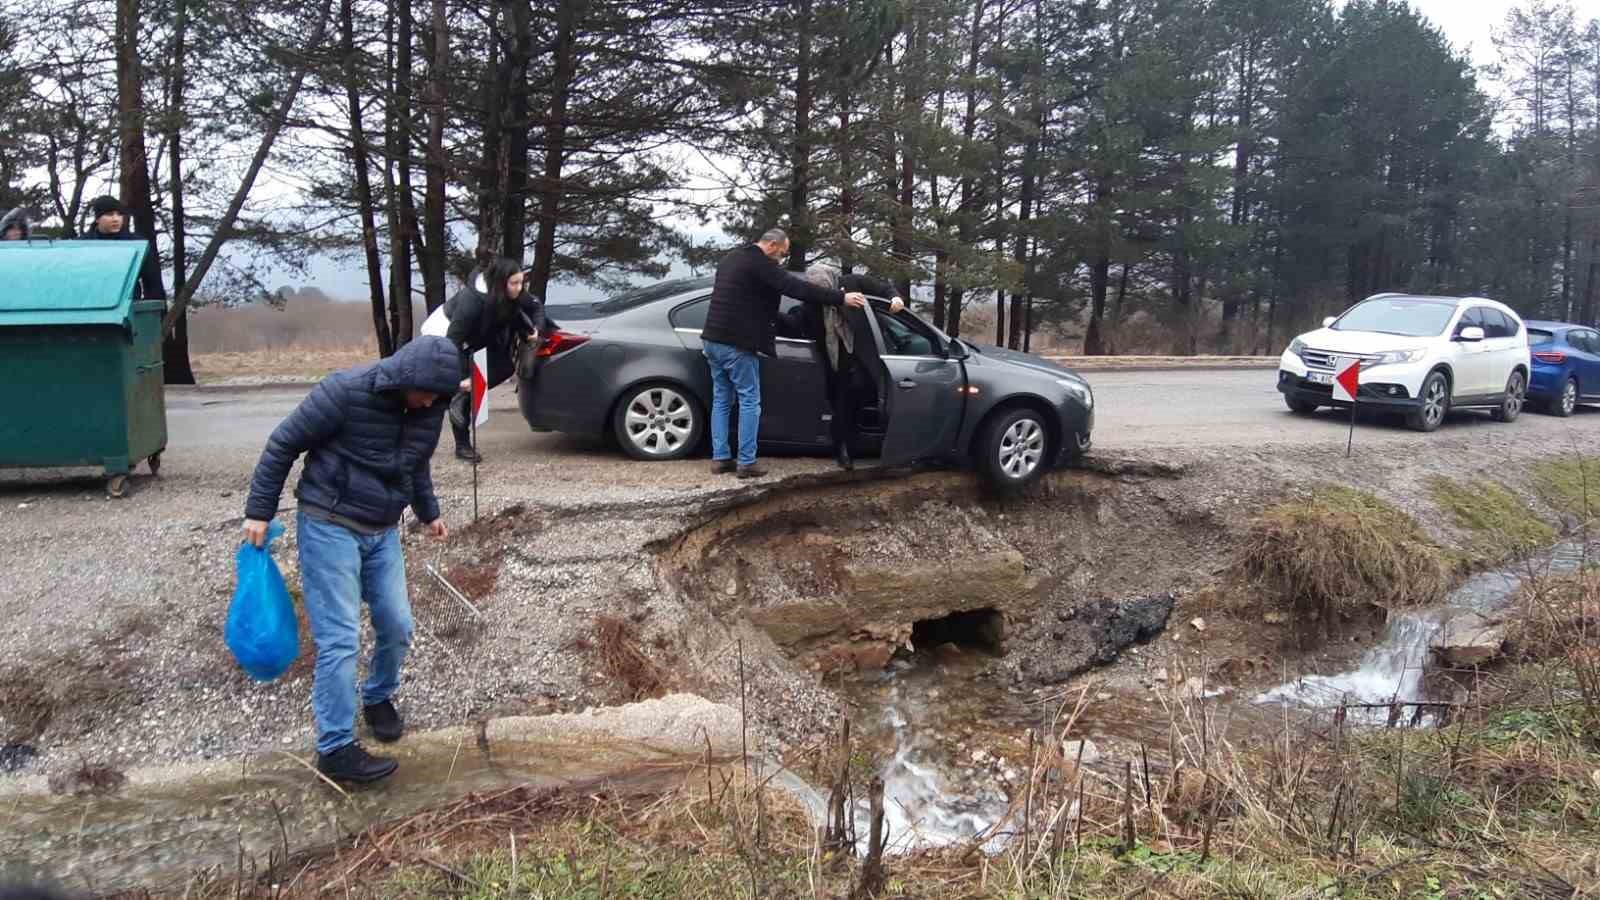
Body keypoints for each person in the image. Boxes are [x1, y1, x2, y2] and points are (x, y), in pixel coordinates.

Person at [242, 335, 460, 783]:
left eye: (440, 396)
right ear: (406, 379)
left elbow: (416, 464)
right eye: (426, 392)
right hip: (329, 523)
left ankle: (378, 695)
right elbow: (283, 443)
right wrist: (259, 511)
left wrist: (428, 513)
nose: (431, 402)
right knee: (340, 639)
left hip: (383, 529)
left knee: (398, 624)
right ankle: (335, 747)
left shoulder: (429, 409)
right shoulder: (344, 391)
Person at [700, 228, 867, 478]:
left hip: (712, 340)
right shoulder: (761, 264)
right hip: (736, 345)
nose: (783, 258)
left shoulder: (731, 259)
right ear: (771, 245)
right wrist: (840, 298)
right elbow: (797, 289)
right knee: (749, 401)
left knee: (722, 400)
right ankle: (746, 463)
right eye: (782, 253)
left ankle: (720, 458)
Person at [420, 256, 546, 462]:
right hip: (445, 336)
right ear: (499, 283)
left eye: (521, 282)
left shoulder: (511, 291)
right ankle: (462, 445)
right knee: (466, 391)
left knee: (504, 367)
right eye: (514, 283)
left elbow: (535, 307)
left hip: (477, 334)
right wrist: (462, 380)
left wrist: (535, 331)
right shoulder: (471, 303)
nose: (519, 288)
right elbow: (453, 343)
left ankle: (462, 394)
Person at [780, 264, 905, 470]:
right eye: (813, 286)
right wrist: (768, 316)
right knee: (842, 403)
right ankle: (843, 449)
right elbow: (795, 323)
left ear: (830, 279)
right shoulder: (810, 303)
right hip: (834, 363)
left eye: (821, 285)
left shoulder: (852, 283)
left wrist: (896, 297)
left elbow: (882, 288)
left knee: (864, 396)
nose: (818, 289)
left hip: (863, 356)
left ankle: (865, 440)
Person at [83, 195, 167, 304]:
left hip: (129, 306)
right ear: (97, 218)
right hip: (90, 305)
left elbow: (152, 281)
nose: (115, 219)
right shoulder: (82, 245)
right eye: (109, 215)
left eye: (119, 214)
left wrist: (153, 313)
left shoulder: (136, 244)